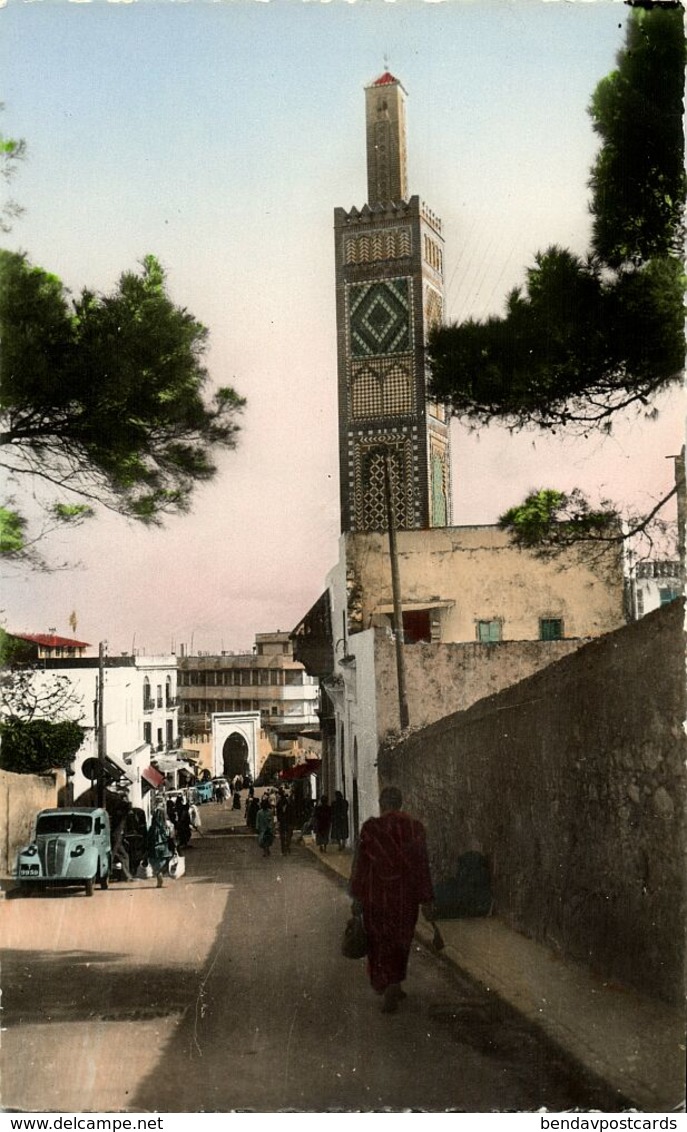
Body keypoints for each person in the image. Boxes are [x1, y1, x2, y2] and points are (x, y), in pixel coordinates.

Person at [349, 785, 434, 1014]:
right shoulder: (415, 829)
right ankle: (395, 982)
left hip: (376, 897)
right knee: (401, 940)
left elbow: (361, 867)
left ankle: (384, 981)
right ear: (401, 803)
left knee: (379, 940)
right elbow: (421, 867)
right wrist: (426, 898)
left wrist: (356, 896)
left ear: (382, 803)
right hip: (405, 898)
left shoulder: (371, 829)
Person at [147, 803, 175, 888]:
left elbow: (149, 836)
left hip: (154, 847)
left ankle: (158, 874)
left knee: (155, 863)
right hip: (165, 847)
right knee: (165, 863)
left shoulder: (152, 826)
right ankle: (161, 873)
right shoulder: (168, 824)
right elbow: (172, 835)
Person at [276, 787, 296, 856]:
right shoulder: (289, 805)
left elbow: (278, 814)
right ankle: (287, 847)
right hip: (288, 822)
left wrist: (279, 820)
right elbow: (292, 814)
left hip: (282, 822)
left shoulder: (279, 804)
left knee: (282, 836)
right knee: (288, 836)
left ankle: (283, 849)